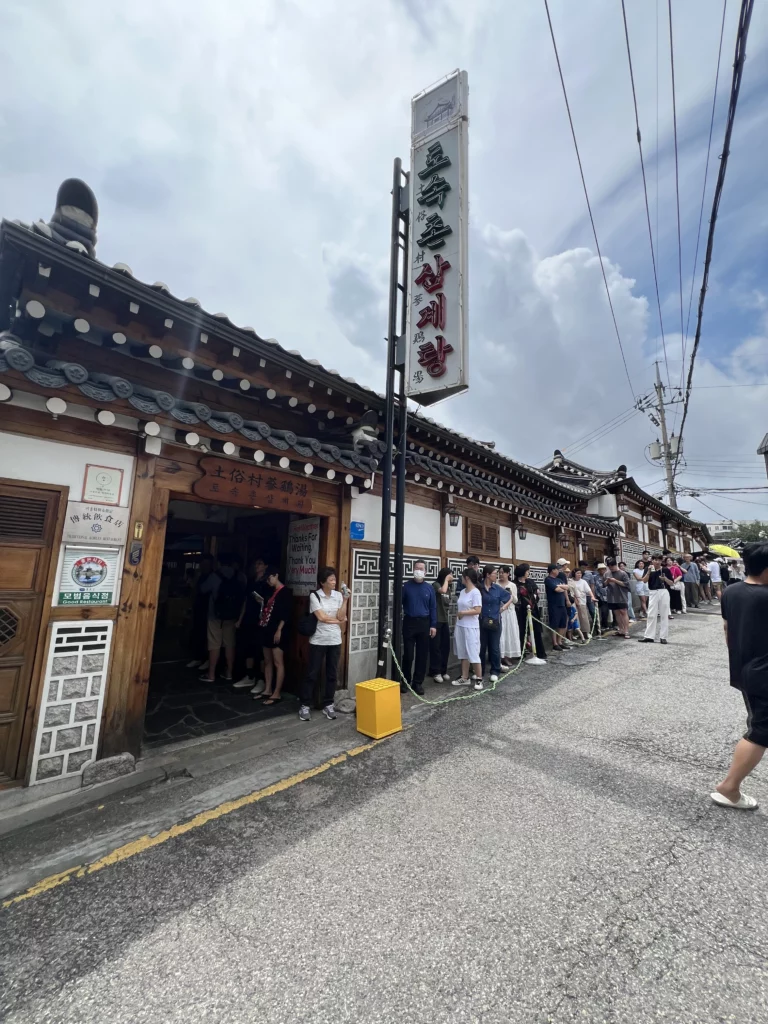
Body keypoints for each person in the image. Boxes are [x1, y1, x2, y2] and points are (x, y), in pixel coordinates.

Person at [711, 541, 768, 810]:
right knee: (760, 731)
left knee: (759, 723)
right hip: (764, 673)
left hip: (745, 668)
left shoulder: (730, 592)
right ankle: (729, 787)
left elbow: (727, 631)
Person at [298, 567, 350, 722]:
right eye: (331, 580)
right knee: (312, 673)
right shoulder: (315, 596)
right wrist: (339, 621)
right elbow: (321, 617)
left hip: (335, 640)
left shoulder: (339, 595)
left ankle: (329, 704)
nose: (334, 582)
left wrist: (346, 599)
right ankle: (305, 705)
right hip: (318, 640)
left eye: (334, 579)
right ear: (323, 582)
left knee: (332, 674)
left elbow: (342, 615)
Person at [199, 553, 247, 684]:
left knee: (214, 644)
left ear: (218, 563)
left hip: (215, 615)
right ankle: (229, 673)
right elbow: (244, 595)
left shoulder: (215, 576)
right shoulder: (240, 576)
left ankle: (211, 674)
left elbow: (203, 590)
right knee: (230, 644)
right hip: (233, 616)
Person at [254, 568, 292, 705]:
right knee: (267, 660)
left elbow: (286, 613)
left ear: (276, 575)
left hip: (278, 629)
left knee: (277, 661)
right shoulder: (269, 591)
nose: (268, 581)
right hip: (266, 627)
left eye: (269, 578)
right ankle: (268, 689)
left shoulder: (285, 592)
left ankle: (277, 692)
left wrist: (279, 629)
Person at [233, 556, 270, 692]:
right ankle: (249, 676)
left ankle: (261, 679)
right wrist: (240, 619)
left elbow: (271, 602)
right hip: (248, 617)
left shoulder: (267, 583)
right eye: (256, 563)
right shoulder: (251, 582)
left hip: (260, 619)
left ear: (266, 566)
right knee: (247, 647)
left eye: (260, 563)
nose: (257, 566)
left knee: (259, 650)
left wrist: (262, 601)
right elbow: (245, 602)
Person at [401, 560, 437, 696]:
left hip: (424, 623)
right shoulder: (406, 586)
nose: (418, 570)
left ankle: (418, 682)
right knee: (408, 654)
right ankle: (405, 681)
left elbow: (433, 607)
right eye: (416, 568)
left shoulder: (429, 588)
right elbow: (400, 603)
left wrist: (433, 625)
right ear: (413, 569)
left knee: (422, 655)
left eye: (421, 568)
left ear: (425, 571)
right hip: (409, 622)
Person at [479, 564, 514, 684]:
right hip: (481, 621)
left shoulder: (497, 588)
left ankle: (495, 671)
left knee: (494, 647)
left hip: (495, 621)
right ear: (488, 575)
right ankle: (480, 671)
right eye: (495, 573)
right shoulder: (479, 588)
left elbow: (510, 597)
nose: (497, 576)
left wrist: (503, 607)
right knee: (481, 647)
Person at [452, 568, 483, 688]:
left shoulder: (475, 592)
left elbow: (478, 610)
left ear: (467, 578)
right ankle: (464, 677)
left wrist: (463, 613)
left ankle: (479, 678)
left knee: (473, 652)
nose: (461, 578)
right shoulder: (463, 592)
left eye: (462, 576)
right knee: (463, 652)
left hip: (471, 627)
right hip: (461, 625)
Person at [514, 564, 547, 665]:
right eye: (527, 571)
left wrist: (535, 597)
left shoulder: (530, 582)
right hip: (521, 611)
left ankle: (540, 653)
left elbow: (537, 592)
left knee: (536, 631)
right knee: (522, 632)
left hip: (533, 609)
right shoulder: (515, 584)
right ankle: (522, 653)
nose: (528, 573)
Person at [638, 554, 673, 643]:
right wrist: (649, 571)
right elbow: (644, 580)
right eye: (655, 560)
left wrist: (665, 579)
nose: (657, 562)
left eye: (659, 560)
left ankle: (663, 637)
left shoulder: (665, 570)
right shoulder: (648, 569)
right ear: (652, 560)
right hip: (653, 592)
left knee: (664, 614)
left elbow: (671, 583)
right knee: (651, 614)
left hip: (663, 591)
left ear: (661, 561)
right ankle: (649, 636)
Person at [187, 556, 214, 670]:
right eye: (203, 564)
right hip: (199, 608)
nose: (204, 566)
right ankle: (198, 658)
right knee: (198, 633)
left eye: (206, 564)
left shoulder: (213, 576)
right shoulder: (201, 576)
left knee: (207, 636)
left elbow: (203, 590)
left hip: (209, 610)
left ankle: (206, 659)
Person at [430, 568, 453, 682]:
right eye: (450, 575)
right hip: (436, 620)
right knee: (436, 648)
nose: (452, 578)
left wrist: (448, 583)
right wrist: (446, 580)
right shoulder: (436, 585)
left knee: (445, 647)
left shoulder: (448, 588)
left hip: (445, 621)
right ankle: (436, 672)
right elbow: (442, 591)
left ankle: (443, 670)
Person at [497, 565, 521, 666]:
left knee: (509, 633)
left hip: (510, 612)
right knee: (500, 634)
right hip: (499, 610)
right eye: (500, 572)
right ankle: (499, 656)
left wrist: (511, 594)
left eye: (503, 572)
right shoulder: (496, 584)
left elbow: (515, 600)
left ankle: (508, 656)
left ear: (508, 573)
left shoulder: (512, 585)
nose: (501, 574)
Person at [603, 557, 631, 639]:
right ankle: (621, 629)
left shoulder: (623, 573)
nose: (611, 568)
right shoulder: (606, 574)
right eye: (609, 567)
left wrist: (615, 581)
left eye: (612, 566)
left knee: (623, 612)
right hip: (611, 596)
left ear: (616, 565)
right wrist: (607, 581)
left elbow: (626, 584)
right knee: (616, 613)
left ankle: (626, 631)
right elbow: (603, 585)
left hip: (622, 596)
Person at [545, 564, 569, 651]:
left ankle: (560, 642)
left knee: (563, 623)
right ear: (552, 570)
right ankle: (555, 643)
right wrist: (560, 587)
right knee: (554, 624)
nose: (558, 571)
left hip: (562, 603)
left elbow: (566, 587)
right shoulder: (548, 580)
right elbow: (557, 590)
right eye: (557, 569)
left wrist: (561, 587)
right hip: (553, 604)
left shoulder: (559, 579)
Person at [570, 568, 592, 635]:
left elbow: (589, 590)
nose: (579, 575)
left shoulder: (583, 582)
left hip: (582, 601)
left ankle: (586, 632)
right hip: (573, 601)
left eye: (580, 573)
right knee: (575, 617)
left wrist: (592, 597)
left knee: (583, 617)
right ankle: (576, 633)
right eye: (577, 573)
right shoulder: (571, 581)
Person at [595, 562, 612, 634]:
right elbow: (599, 588)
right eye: (600, 569)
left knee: (609, 611)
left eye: (603, 569)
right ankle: (603, 625)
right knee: (603, 611)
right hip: (601, 597)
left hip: (610, 596)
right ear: (598, 570)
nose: (602, 571)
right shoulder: (596, 577)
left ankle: (610, 625)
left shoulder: (609, 576)